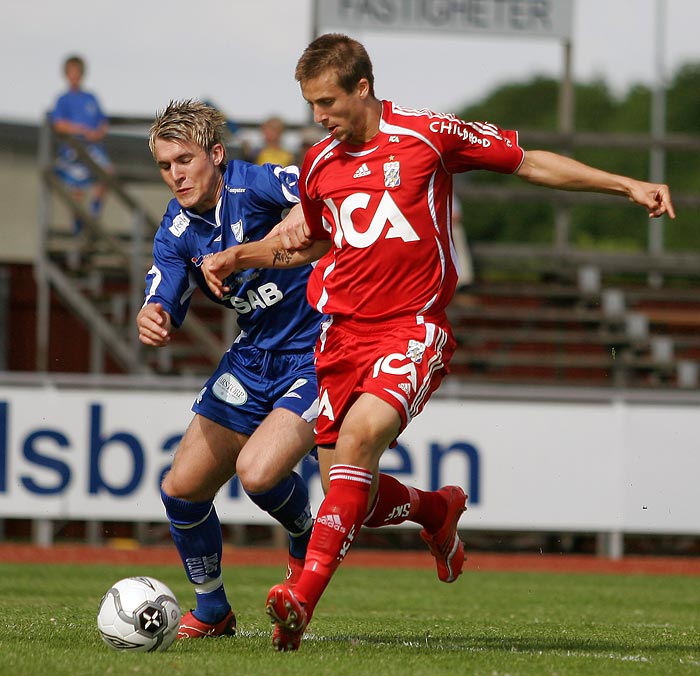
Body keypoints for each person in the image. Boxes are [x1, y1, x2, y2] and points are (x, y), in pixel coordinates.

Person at [200, 33, 675, 651]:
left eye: (326, 102)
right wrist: (243, 255)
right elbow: (315, 240)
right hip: (339, 338)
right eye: (311, 104)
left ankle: (300, 598)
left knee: (361, 437)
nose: (318, 116)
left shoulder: (428, 135)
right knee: (357, 495)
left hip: (412, 327)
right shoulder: (319, 163)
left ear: (362, 88)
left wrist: (625, 185)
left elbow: (527, 160)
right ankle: (433, 512)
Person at [136, 99, 328, 640]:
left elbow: (324, 189)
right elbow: (163, 295)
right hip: (251, 358)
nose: (175, 174)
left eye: (185, 160)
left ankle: (303, 533)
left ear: (216, 155)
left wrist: (262, 242)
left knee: (260, 475)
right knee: (181, 490)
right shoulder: (175, 231)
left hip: (316, 352)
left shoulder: (258, 185)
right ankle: (214, 610)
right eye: (164, 165)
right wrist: (152, 315)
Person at [50, 55, 112, 233]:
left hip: (93, 149)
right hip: (73, 151)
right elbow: (59, 124)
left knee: (106, 174)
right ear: (66, 75)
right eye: (71, 72)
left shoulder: (91, 98)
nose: (75, 76)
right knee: (77, 188)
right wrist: (82, 131)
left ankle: (93, 213)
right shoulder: (63, 99)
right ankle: (78, 227)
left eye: (77, 72)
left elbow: (103, 121)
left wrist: (97, 133)